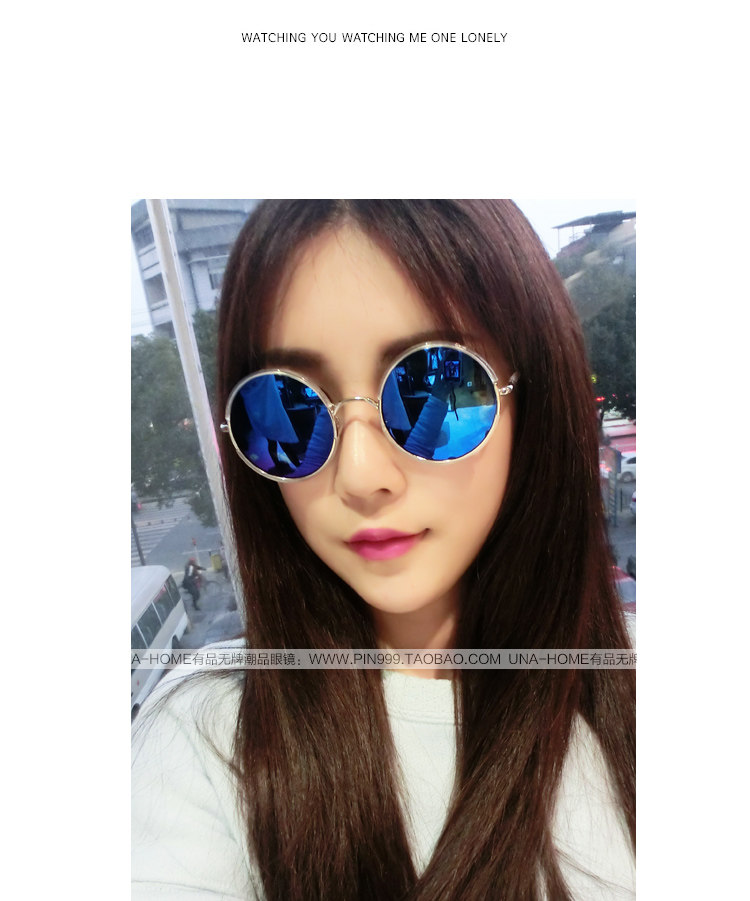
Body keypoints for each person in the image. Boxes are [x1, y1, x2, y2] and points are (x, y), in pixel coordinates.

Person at [132, 201, 635, 900]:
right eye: (290, 408)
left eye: (434, 386)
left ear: (535, 398)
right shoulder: (203, 737)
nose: (361, 475)